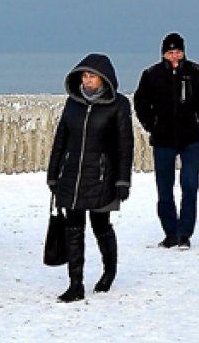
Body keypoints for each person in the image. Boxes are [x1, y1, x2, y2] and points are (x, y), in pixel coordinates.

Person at [46, 54, 134, 303]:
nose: (87, 80)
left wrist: (122, 181)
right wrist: (53, 173)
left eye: (91, 76)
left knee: (100, 226)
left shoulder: (119, 105)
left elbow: (125, 146)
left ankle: (109, 272)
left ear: (104, 78)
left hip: (102, 177)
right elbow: (60, 139)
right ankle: (75, 283)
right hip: (72, 175)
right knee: (73, 229)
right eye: (84, 76)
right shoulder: (72, 103)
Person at [134, 32, 199, 249]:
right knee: (164, 188)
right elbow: (140, 103)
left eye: (178, 51)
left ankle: (185, 233)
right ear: (163, 53)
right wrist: (152, 124)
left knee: (190, 185)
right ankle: (170, 232)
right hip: (163, 139)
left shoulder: (197, 72)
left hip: (191, 138)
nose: (175, 56)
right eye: (170, 52)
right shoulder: (151, 74)